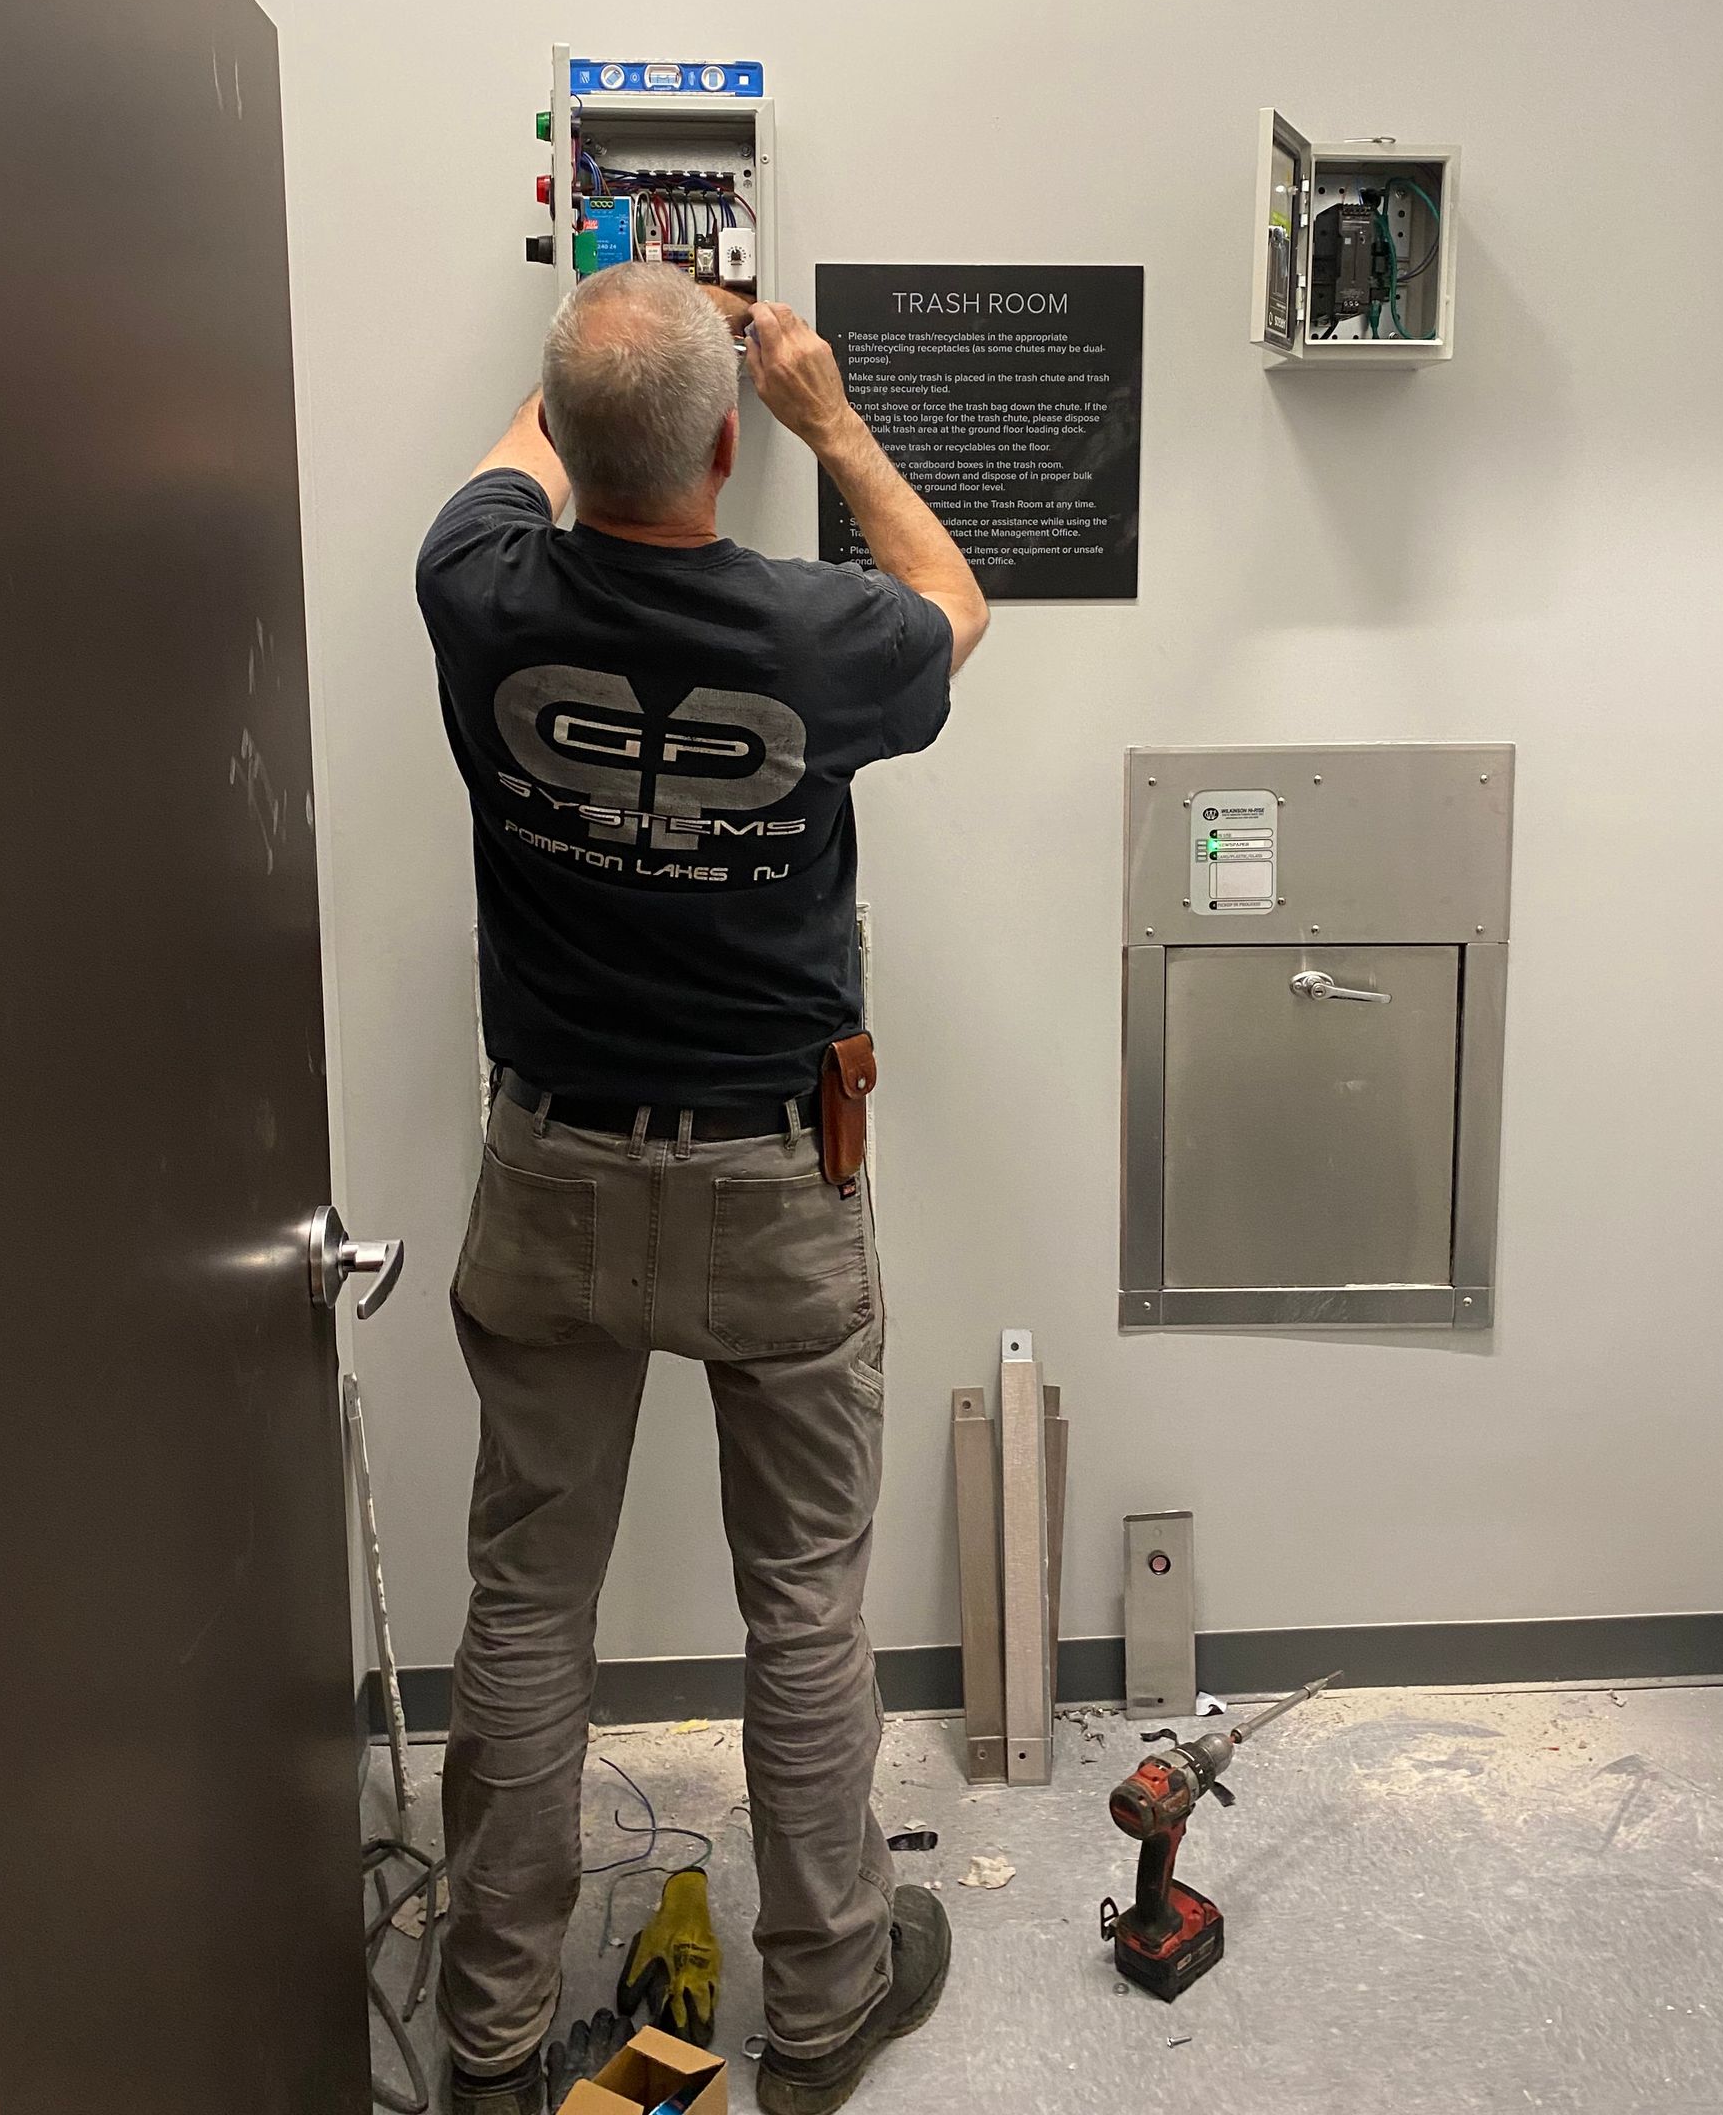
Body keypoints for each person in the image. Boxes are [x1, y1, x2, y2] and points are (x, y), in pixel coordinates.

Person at [414, 263, 990, 2115]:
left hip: (556, 1170)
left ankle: (491, 2040)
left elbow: (515, 461)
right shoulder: (823, 634)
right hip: (769, 1178)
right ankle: (821, 2013)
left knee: (525, 1606)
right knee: (804, 1608)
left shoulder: (480, 594)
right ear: (730, 444)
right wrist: (823, 406)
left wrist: (593, 332)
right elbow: (956, 604)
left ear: (567, 444)